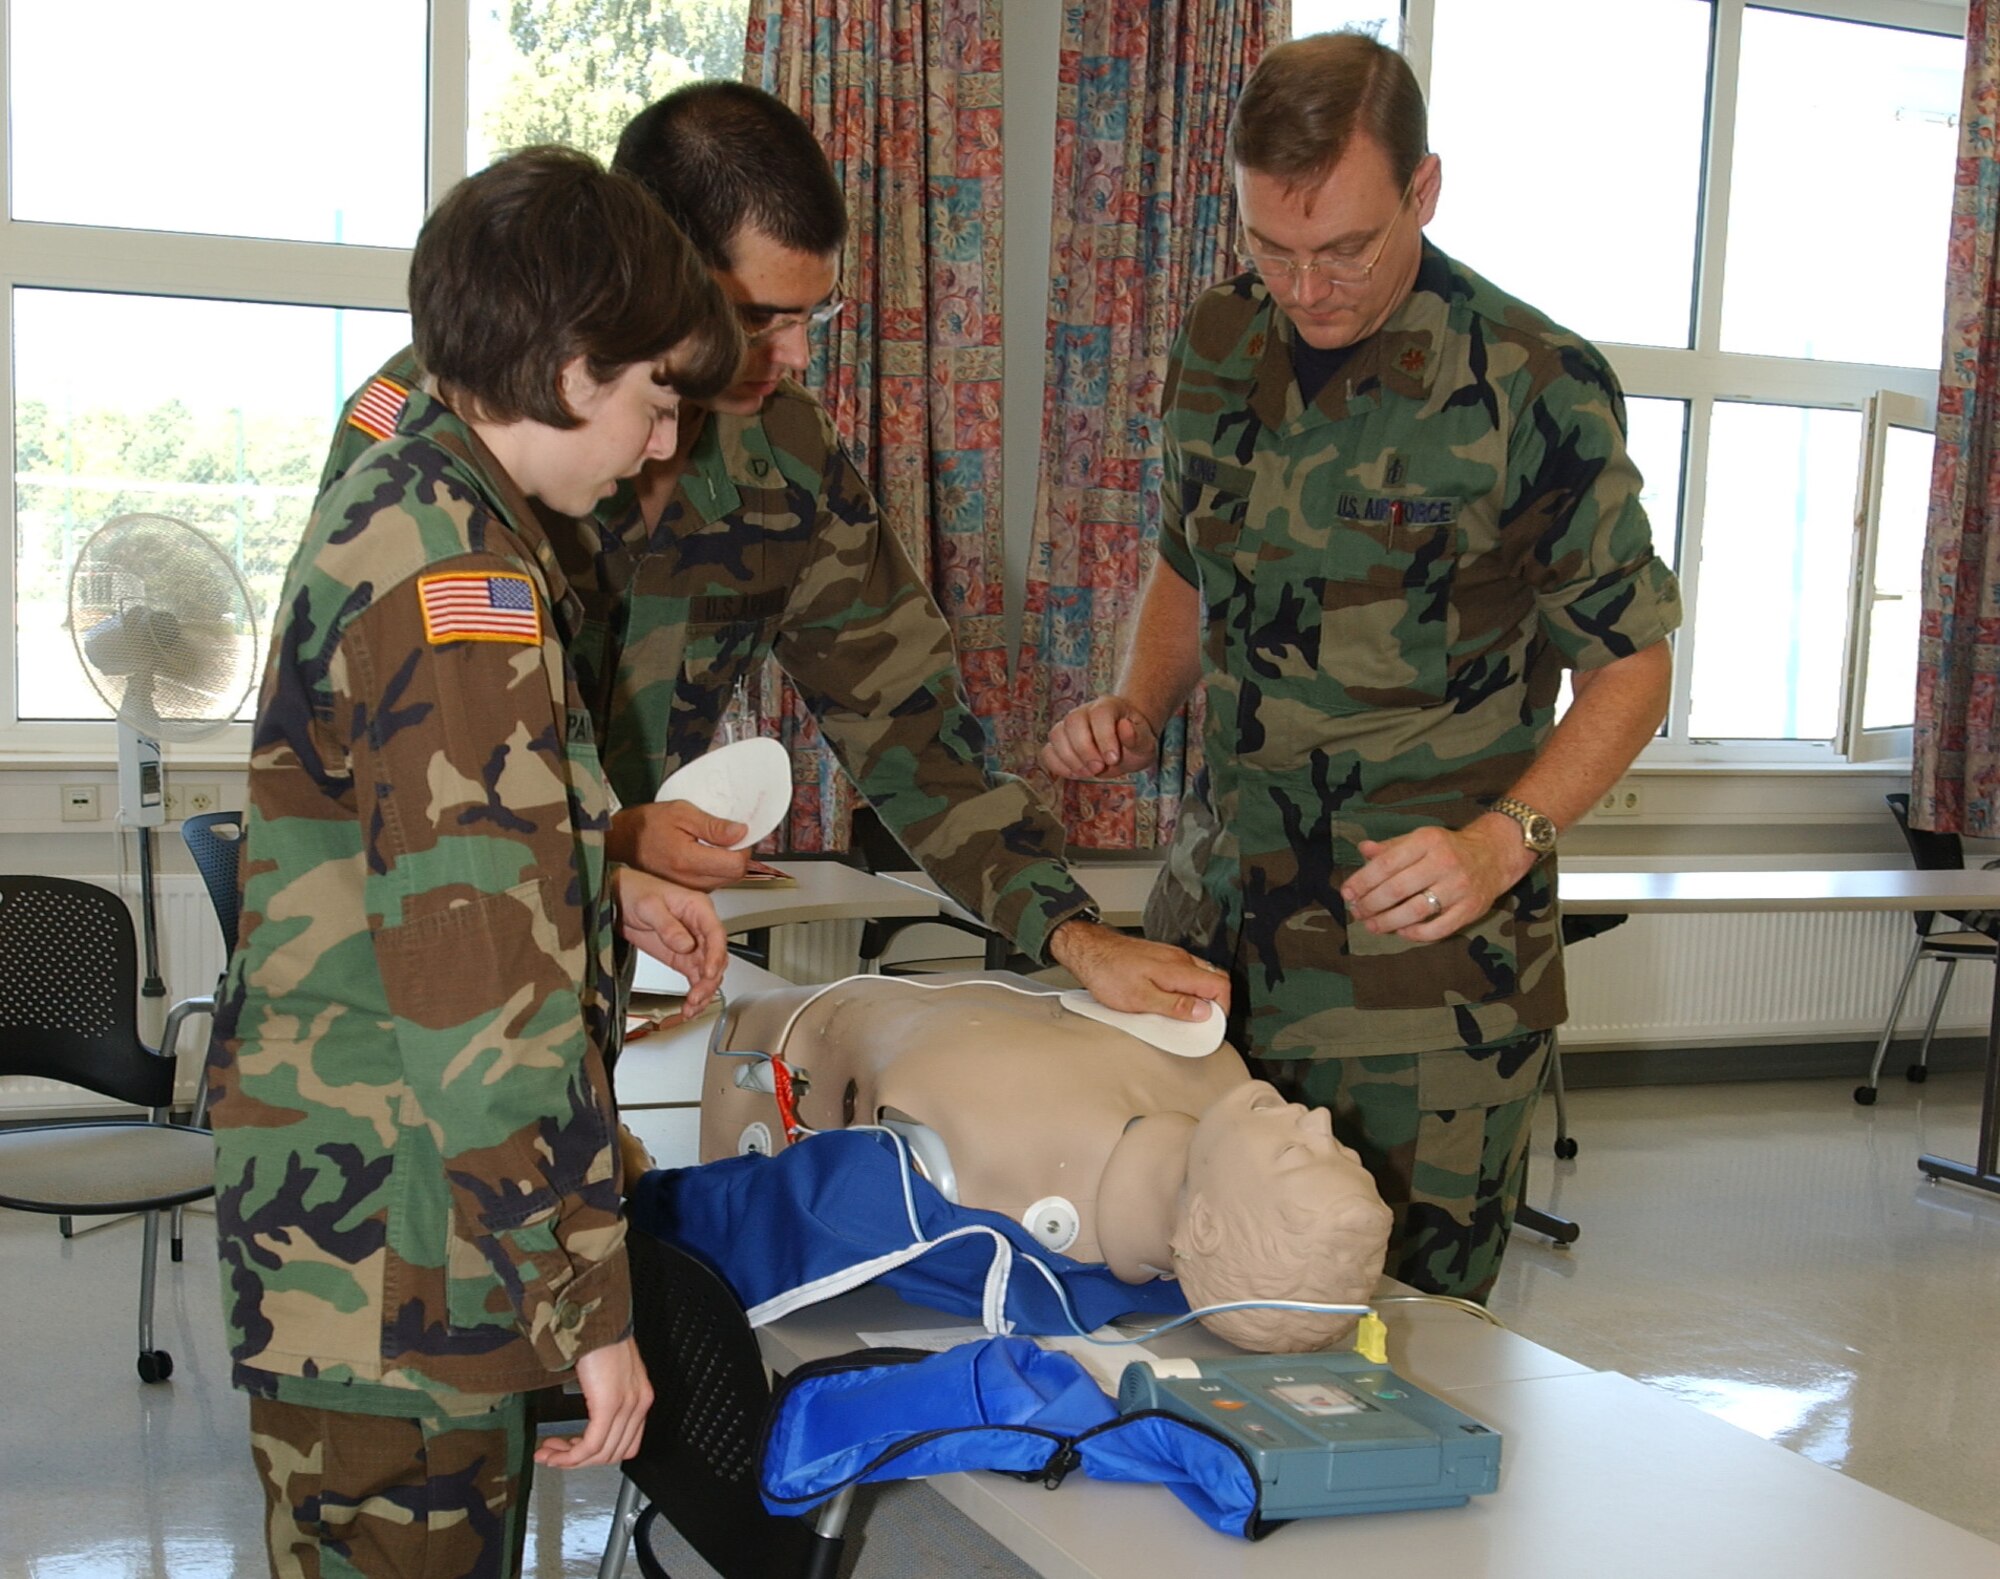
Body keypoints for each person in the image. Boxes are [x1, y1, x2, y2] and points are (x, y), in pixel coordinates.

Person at [319, 81, 1227, 1027]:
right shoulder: (461, 423)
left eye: (812, 315)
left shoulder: (785, 460)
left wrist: (1077, 937)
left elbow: (914, 734)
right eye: (759, 317)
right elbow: (385, 778)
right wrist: (615, 837)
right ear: (650, 268)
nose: (794, 354)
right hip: (391, 1011)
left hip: (574, 999)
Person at [1042, 33, 1681, 1303]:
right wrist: (1137, 700)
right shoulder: (1220, 336)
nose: (1308, 286)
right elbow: (1185, 559)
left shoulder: (1532, 385)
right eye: (1273, 249)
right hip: (1214, 945)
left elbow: (1631, 667)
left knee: (1403, 1336)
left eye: (1344, 248)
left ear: (1423, 190)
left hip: (1416, 998)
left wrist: (1500, 844)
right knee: (1193, 1296)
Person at [208, 147, 740, 1578]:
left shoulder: (412, 495)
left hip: (380, 1234)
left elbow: (414, 849)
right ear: (571, 367)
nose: (660, 441)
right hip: (411, 1252)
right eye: (653, 398)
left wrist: (592, 862)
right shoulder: (468, 585)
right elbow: (485, 1006)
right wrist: (596, 1309)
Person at [694, 976, 1392, 1350]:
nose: (1322, 1119)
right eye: (1341, 1145)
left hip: (771, 1039)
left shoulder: (979, 1154)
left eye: (1300, 1153)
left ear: (1204, 1228)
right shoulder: (1216, 1066)